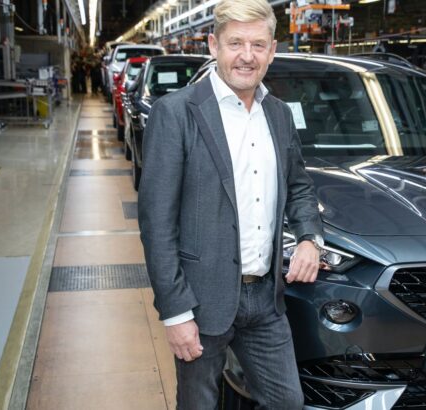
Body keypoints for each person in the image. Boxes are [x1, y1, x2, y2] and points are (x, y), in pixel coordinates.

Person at [137, 0, 324, 409]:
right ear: (213, 45)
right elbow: (157, 224)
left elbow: (300, 187)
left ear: (272, 50)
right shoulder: (176, 113)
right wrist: (175, 312)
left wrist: (310, 237)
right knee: (199, 404)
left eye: (258, 45)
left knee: (287, 402)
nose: (247, 56)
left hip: (266, 300)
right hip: (200, 301)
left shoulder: (278, 114)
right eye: (235, 43)